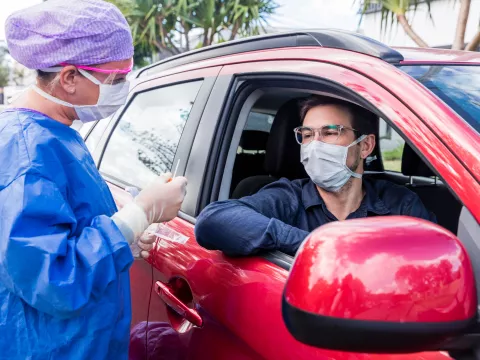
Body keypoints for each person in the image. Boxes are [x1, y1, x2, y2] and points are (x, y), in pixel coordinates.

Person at [0, 1, 187, 359]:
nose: (123, 88)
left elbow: (63, 229)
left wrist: (124, 235)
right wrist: (139, 215)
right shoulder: (25, 151)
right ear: (69, 77)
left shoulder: (58, 134)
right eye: (115, 79)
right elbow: (53, 280)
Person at [195, 95, 436, 256]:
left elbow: (432, 262)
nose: (315, 145)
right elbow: (212, 220)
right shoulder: (288, 197)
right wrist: (314, 244)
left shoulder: (400, 204)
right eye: (308, 135)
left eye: (330, 132)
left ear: (365, 146)